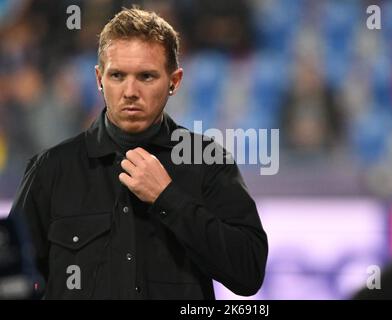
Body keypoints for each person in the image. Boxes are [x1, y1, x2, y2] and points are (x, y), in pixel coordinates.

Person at [7, 7, 268, 299]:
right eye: (117, 75)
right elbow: (11, 281)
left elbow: (249, 273)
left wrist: (167, 198)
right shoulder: (50, 170)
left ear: (175, 81)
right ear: (99, 78)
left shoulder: (206, 161)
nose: (130, 91)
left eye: (146, 76)